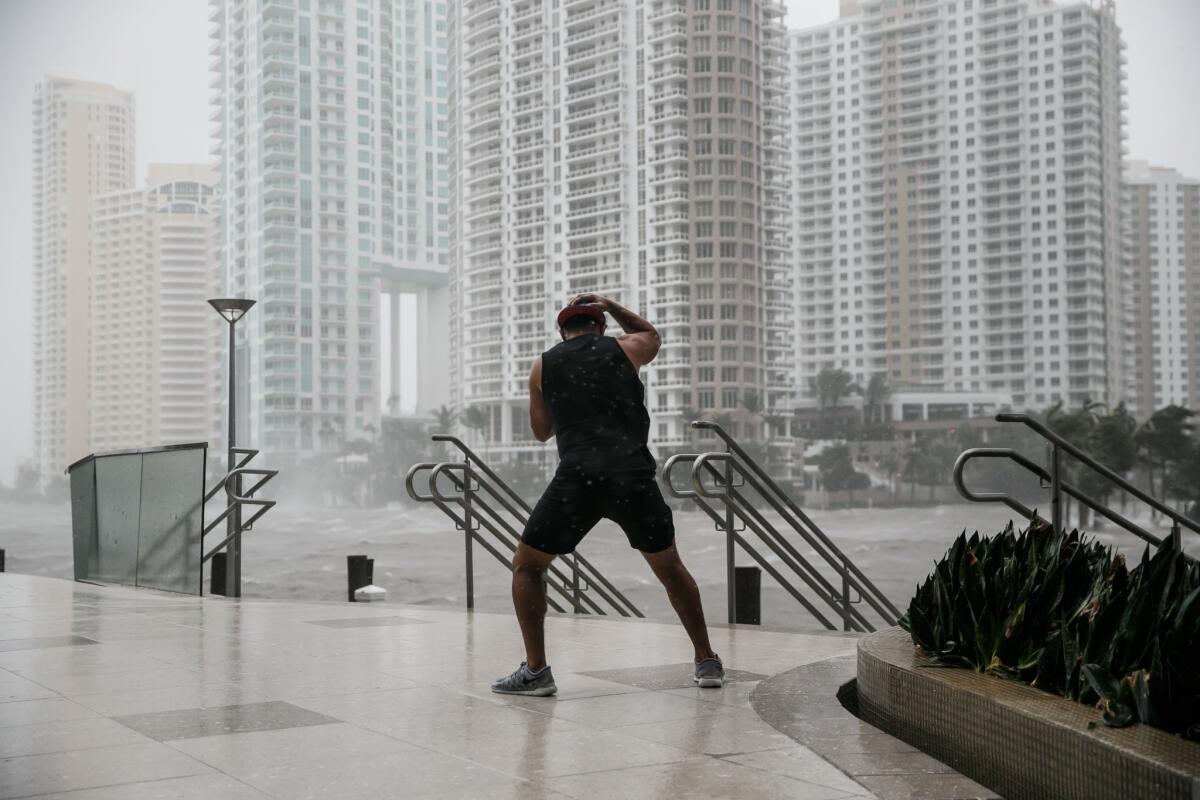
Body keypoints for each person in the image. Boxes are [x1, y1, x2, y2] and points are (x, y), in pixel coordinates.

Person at [491, 293, 724, 697]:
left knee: (527, 568)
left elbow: (541, 431)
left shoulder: (543, 364)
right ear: (600, 326)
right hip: (631, 474)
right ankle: (706, 660)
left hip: (578, 478)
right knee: (670, 568)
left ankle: (536, 671)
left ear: (562, 332)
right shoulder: (626, 347)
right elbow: (650, 333)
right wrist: (609, 303)